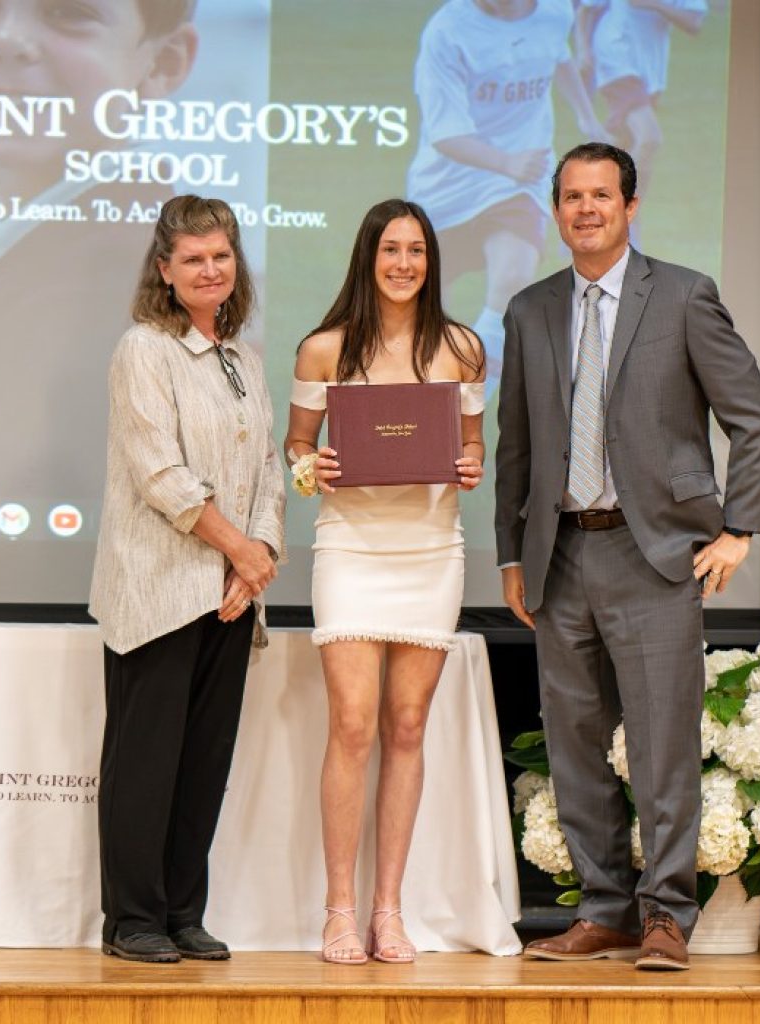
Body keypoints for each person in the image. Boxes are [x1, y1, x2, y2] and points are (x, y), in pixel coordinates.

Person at [494, 142, 760, 970]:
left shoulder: (685, 295)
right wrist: (512, 555)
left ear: (630, 205)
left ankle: (666, 917)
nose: (587, 210)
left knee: (661, 746)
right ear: (556, 210)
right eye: (572, 197)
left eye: (602, 196)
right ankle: (607, 910)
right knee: (575, 745)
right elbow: (518, 445)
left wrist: (738, 528)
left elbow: (751, 417)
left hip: (656, 555)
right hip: (559, 558)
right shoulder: (529, 309)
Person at [0, 0, 198, 496]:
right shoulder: (62, 232)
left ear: (162, 63)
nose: (6, 40)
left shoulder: (120, 273)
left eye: (69, 14)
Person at [284, 199, 485, 964]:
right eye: (391, 250)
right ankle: (338, 910)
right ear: (368, 257)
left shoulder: (463, 349)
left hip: (432, 549)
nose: (404, 264)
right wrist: (313, 468)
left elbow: (472, 449)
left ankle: (388, 911)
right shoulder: (323, 350)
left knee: (407, 727)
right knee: (354, 725)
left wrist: (472, 464)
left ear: (431, 262)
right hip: (352, 550)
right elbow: (297, 449)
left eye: (418, 251)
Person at [89, 195, 284, 963]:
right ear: (165, 272)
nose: (211, 269)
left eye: (222, 256)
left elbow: (267, 469)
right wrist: (241, 550)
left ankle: (180, 912)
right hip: (157, 590)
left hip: (230, 596)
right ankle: (132, 919)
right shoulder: (144, 350)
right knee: (145, 762)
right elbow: (160, 476)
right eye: (194, 259)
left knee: (203, 762)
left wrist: (257, 553)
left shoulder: (243, 359)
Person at [407, 0, 607, 400]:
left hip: (521, 182)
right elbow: (445, 134)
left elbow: (557, 57)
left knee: (513, 274)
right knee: (421, 313)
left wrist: (588, 119)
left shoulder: (554, 12)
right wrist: (506, 162)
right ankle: (424, 403)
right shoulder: (447, 31)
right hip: (448, 186)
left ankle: (471, 399)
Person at [575, 0, 707, 211]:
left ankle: (600, 207)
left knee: (622, 144)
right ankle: (611, 208)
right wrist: (584, 50)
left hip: (649, 69)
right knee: (649, 138)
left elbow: (694, 22)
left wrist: (655, 4)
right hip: (615, 56)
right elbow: (586, 9)